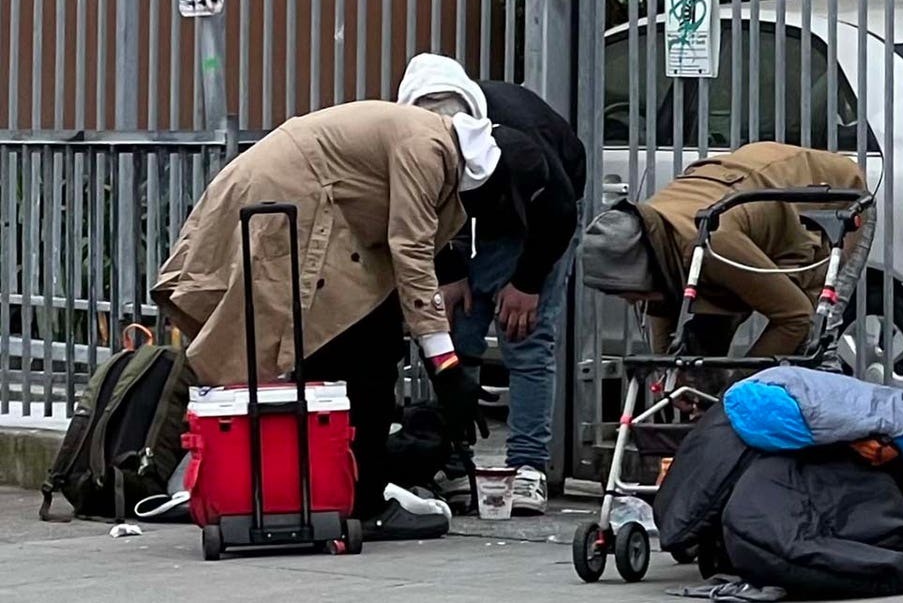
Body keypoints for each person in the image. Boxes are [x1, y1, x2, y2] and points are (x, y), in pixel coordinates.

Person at [152, 100, 499, 539]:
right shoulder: (430, 149)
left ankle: (321, 494)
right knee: (359, 357)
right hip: (290, 205)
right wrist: (445, 367)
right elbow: (410, 247)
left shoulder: (428, 136)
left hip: (297, 203)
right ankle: (362, 505)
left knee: (345, 352)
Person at [397, 54, 586, 515]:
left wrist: (526, 281)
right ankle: (455, 463)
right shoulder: (409, 138)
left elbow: (559, 212)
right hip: (472, 214)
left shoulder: (524, 140)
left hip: (540, 214)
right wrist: (451, 271)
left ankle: (527, 468)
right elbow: (424, 213)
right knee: (455, 328)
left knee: (525, 334)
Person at [579, 142, 866, 363]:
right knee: (709, 333)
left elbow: (796, 318)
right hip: (758, 197)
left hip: (835, 199)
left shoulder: (714, 244)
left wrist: (737, 391)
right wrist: (670, 373)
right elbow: (662, 306)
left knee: (815, 340)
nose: (630, 302)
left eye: (628, 292)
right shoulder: (657, 241)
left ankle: (835, 435)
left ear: (643, 270)